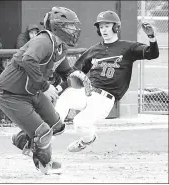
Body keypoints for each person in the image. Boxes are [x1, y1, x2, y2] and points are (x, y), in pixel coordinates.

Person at [0, 7, 83, 175]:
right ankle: (44, 164)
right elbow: (28, 60)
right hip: (10, 94)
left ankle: (22, 139)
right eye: (69, 26)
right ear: (57, 27)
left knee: (58, 126)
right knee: (43, 133)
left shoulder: (60, 47)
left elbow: (65, 71)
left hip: (31, 92)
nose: (73, 30)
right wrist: (46, 87)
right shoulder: (44, 41)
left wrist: (75, 76)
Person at [55, 10, 159, 152]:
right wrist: (59, 88)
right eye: (101, 26)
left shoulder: (128, 47)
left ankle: (88, 139)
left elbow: (152, 54)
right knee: (66, 96)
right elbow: (75, 73)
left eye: (107, 26)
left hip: (104, 99)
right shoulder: (94, 50)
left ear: (116, 27)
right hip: (88, 91)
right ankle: (53, 127)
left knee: (79, 123)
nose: (103, 29)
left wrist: (151, 37)